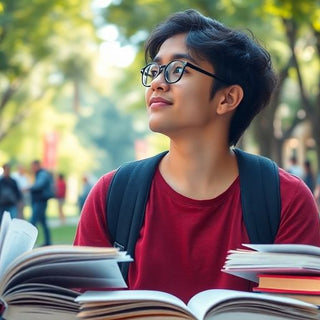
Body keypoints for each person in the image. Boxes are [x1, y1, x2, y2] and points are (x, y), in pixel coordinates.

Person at [74, 9, 320, 303]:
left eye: (178, 69)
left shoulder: (285, 200)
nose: (157, 83)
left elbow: (297, 310)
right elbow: (84, 308)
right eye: (155, 70)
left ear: (227, 98)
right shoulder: (112, 195)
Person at [29, 160, 52, 246]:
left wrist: (29, 187)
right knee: (43, 222)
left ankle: (28, 242)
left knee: (33, 221)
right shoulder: (40, 174)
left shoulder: (42, 174)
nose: (32, 168)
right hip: (39, 201)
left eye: (33, 166)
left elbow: (39, 185)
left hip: (40, 201)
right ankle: (48, 242)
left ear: (37, 165)